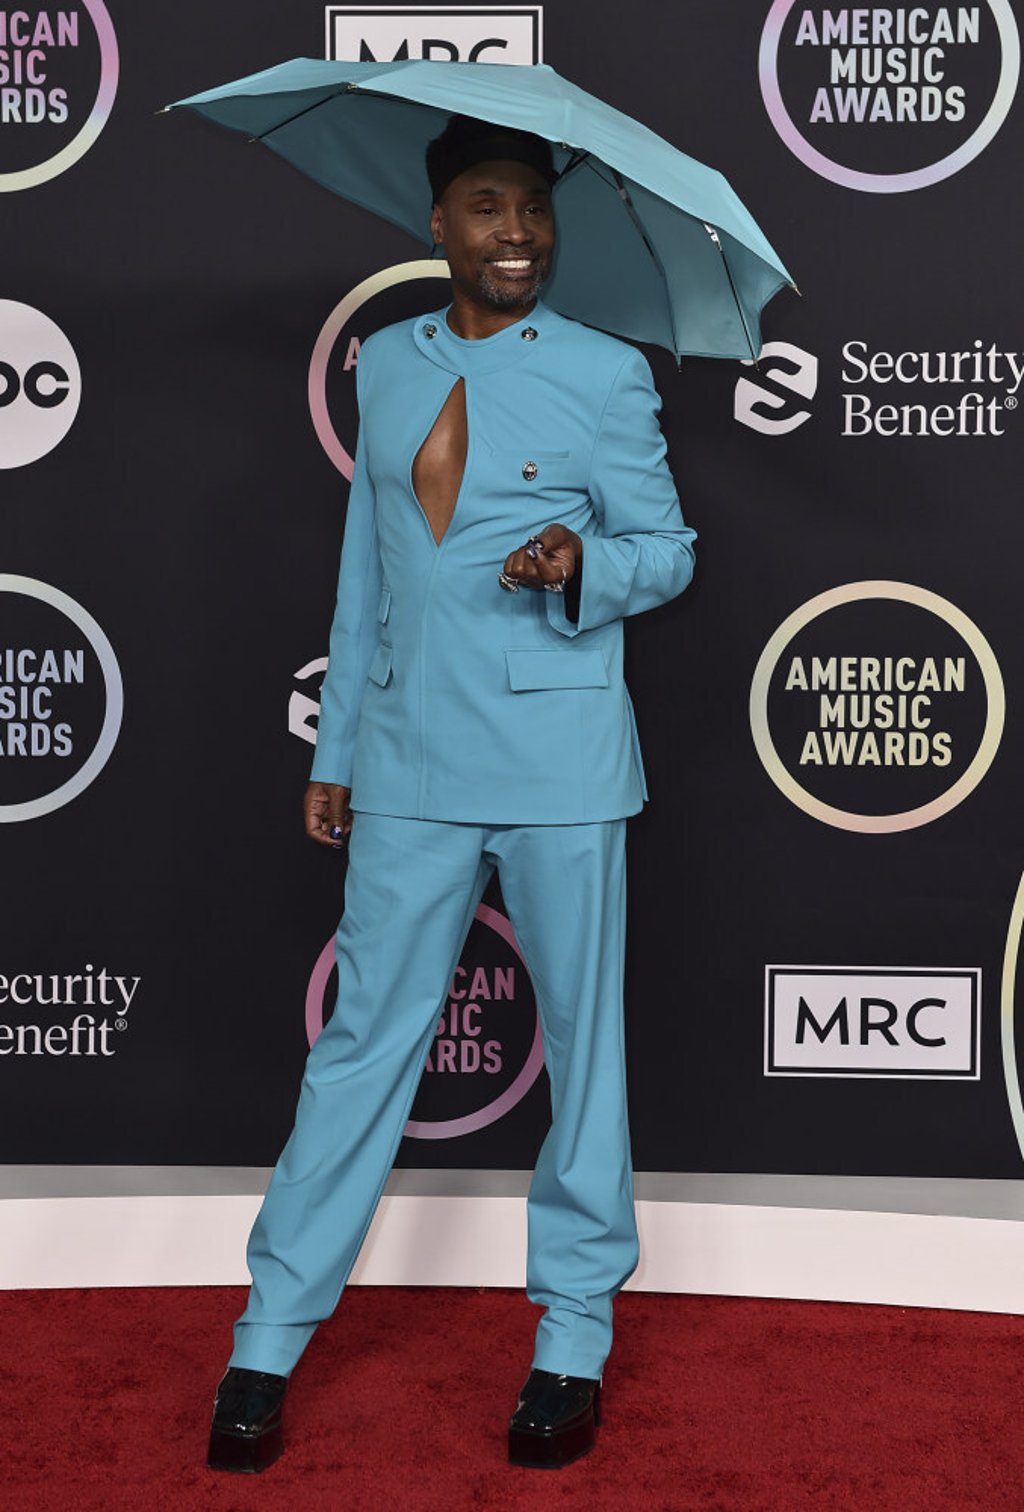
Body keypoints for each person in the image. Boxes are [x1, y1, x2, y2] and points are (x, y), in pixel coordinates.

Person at [207, 113, 697, 1475]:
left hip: (560, 765)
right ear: (439, 227)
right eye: (489, 208)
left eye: (535, 210)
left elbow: (668, 550)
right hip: (412, 762)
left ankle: (574, 1341)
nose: (519, 234)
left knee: (584, 1055)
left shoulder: (605, 375)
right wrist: (340, 750)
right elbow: (372, 569)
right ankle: (266, 1338)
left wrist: (583, 566)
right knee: (361, 1047)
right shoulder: (387, 365)